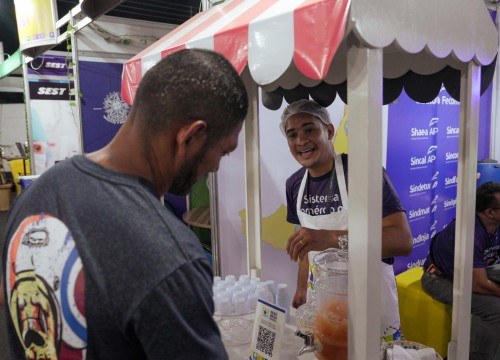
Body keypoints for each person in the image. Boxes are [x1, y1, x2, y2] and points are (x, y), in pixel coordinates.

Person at [2, 49, 248, 360]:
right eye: (223, 152)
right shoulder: (171, 258)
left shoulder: (37, 196)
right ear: (191, 136)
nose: (215, 167)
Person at [282, 99, 413, 340]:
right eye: (292, 135)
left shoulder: (363, 172)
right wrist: (301, 289)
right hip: (322, 303)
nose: (301, 141)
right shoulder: (294, 184)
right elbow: (307, 243)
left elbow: (402, 241)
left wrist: (331, 238)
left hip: (369, 300)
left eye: (310, 129)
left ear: (329, 131)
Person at [421, 181, 500, 360]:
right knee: (495, 309)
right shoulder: (469, 232)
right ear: (490, 212)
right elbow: (478, 284)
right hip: (439, 279)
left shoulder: (495, 225)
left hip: (475, 272)